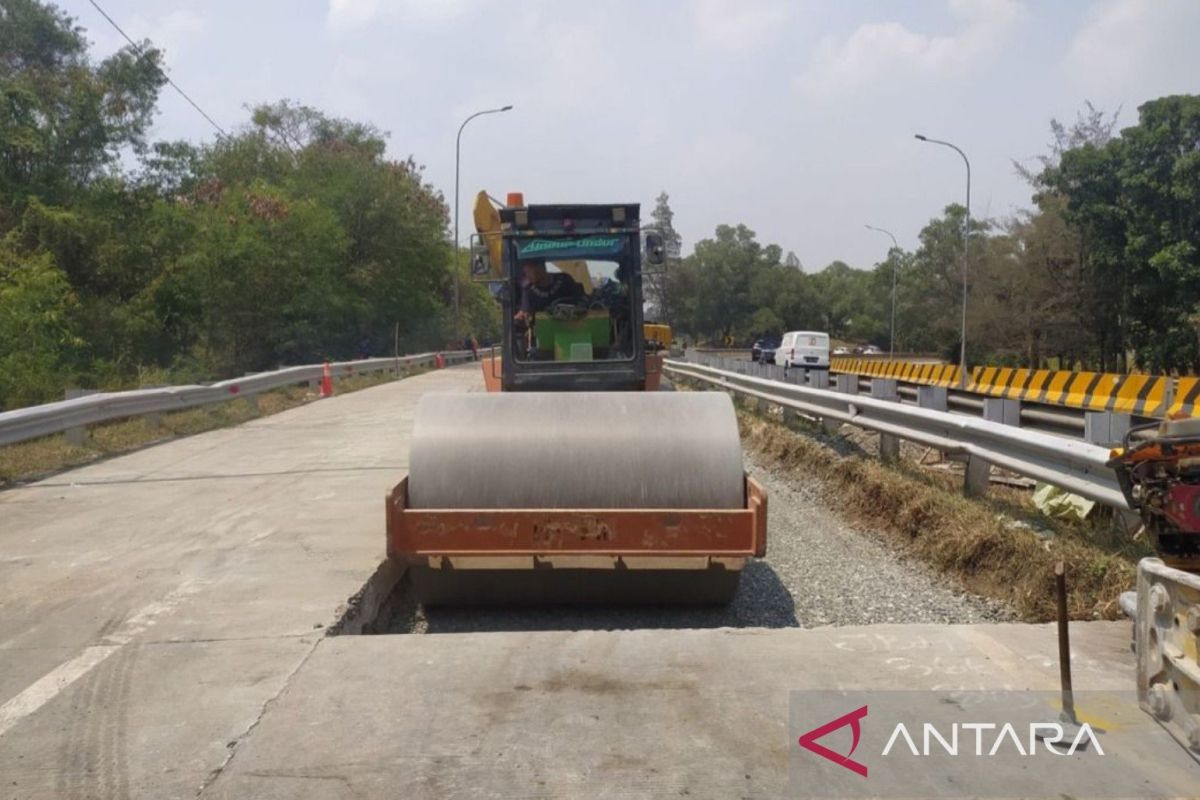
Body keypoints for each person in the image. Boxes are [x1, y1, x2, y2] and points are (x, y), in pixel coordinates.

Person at [514, 261, 585, 323]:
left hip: (574, 326)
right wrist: (522, 316)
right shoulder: (528, 290)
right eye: (525, 273)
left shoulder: (564, 279)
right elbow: (525, 311)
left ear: (541, 267)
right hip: (543, 332)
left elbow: (581, 302)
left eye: (528, 272)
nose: (527, 276)